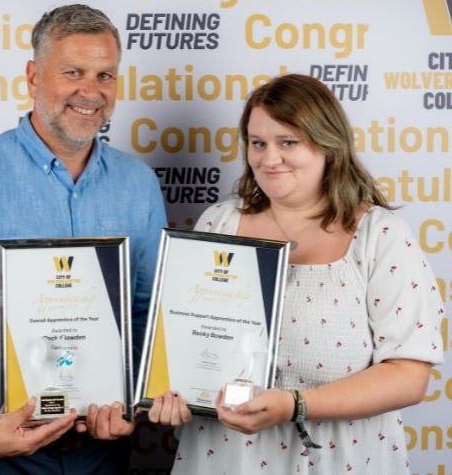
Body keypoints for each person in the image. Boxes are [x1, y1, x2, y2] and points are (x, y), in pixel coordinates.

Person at [0, 4, 166, 473]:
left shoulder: (138, 184)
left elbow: (147, 317)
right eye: (73, 72)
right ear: (32, 77)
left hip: (98, 454)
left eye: (106, 75)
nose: (91, 92)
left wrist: (132, 402)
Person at [148, 74, 444, 474]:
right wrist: (170, 394)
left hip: (339, 460)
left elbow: (409, 377)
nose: (269, 159)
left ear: (328, 145)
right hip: (226, 457)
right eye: (258, 143)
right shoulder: (218, 222)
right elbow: (182, 347)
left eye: (288, 142)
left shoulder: (380, 236)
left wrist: (295, 405)